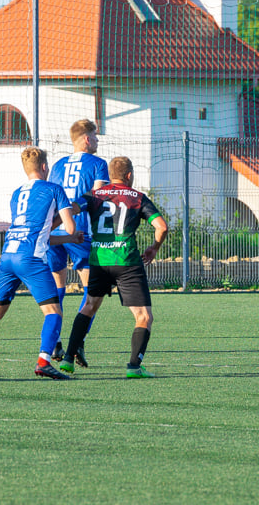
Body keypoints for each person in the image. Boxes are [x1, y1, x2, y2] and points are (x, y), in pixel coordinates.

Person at [0, 146, 81, 380]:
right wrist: (71, 215)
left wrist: (69, 238)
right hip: (29, 259)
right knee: (54, 311)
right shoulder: (55, 189)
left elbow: (37, 233)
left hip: (8, 256)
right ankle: (44, 361)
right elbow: (70, 225)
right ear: (45, 167)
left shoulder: (16, 193)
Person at [58, 156, 169, 378]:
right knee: (143, 317)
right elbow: (162, 227)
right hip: (126, 262)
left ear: (110, 176)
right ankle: (134, 367)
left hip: (99, 260)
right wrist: (154, 248)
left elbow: (71, 208)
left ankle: (68, 359)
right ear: (129, 176)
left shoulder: (94, 195)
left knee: (89, 306)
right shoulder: (137, 198)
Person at [47, 119, 109, 367]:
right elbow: (98, 197)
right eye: (94, 136)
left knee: (56, 288)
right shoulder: (98, 164)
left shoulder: (58, 165)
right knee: (92, 290)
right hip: (82, 232)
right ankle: (78, 341)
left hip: (55, 232)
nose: (97, 141)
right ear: (86, 139)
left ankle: (54, 342)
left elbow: (51, 195)